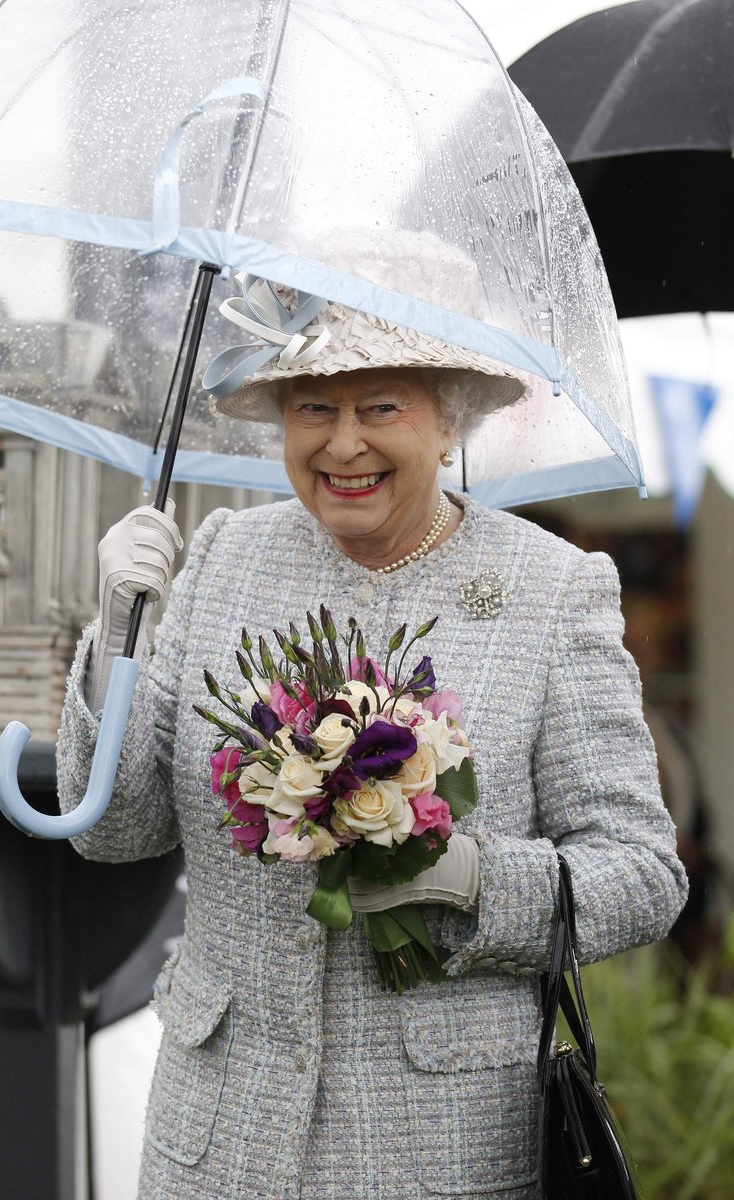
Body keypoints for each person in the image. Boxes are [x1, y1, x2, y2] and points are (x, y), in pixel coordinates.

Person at [57, 259, 687, 1200]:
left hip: (444, 1151)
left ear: (449, 417)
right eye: (313, 408)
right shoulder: (223, 557)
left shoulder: (552, 591)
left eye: (381, 406)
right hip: (218, 1146)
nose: (343, 444)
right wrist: (116, 630)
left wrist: (467, 877)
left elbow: (642, 876)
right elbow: (114, 830)